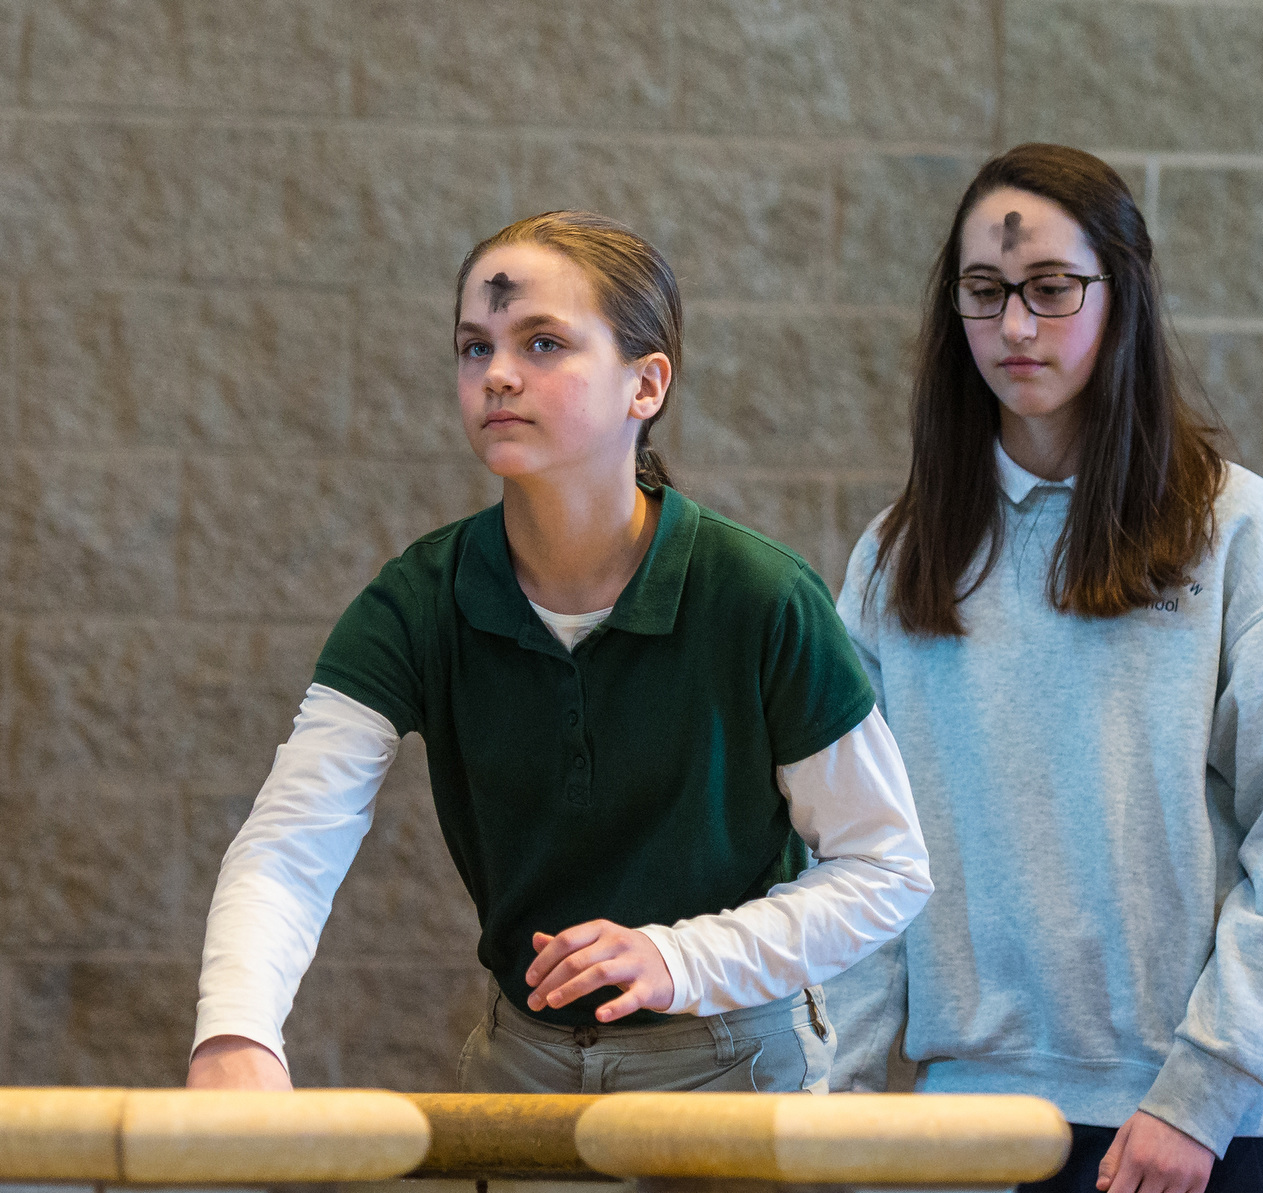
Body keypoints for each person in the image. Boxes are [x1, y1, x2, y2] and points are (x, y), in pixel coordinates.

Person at [823, 144, 1263, 1193]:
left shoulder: (1233, 525)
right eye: (987, 293)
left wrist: (1204, 1094)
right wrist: (827, 1104)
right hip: (974, 1123)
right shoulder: (896, 557)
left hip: (1176, 1116)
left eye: (1053, 288)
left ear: (1121, 298)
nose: (1017, 326)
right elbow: (866, 874)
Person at [187, 210, 930, 1094]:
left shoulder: (761, 596)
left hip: (732, 1060)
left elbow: (886, 865)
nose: (498, 374)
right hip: (521, 1061)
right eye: (475, 347)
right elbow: (291, 839)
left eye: (543, 344)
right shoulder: (417, 600)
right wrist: (235, 1029)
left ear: (645, 384)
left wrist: (679, 958)